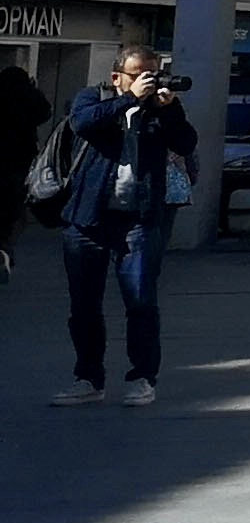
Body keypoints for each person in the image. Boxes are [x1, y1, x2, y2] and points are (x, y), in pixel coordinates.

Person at [49, 50, 197, 408]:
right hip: (88, 216)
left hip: (139, 218)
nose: (147, 80)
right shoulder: (95, 98)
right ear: (117, 77)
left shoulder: (159, 110)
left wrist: (169, 108)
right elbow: (82, 123)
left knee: (141, 302)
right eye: (138, 74)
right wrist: (130, 100)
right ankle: (88, 377)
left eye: (153, 74)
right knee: (84, 304)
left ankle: (143, 377)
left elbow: (186, 143)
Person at [0, 59, 46, 284]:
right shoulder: (28, 100)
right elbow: (44, 112)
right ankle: (5, 248)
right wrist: (32, 89)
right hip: (20, 164)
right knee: (14, 212)